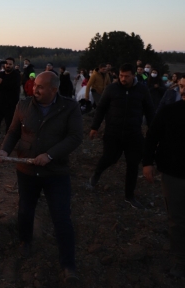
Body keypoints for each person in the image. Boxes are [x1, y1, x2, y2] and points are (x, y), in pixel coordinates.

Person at [0, 72, 82, 283]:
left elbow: (75, 137)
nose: (35, 90)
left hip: (56, 173)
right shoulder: (23, 106)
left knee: (61, 217)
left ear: (54, 90)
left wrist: (50, 155)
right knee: (25, 209)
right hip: (27, 170)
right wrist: (5, 150)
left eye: (41, 87)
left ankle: (68, 264)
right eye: (35, 86)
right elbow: (13, 132)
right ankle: (25, 242)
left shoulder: (69, 107)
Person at [88, 63, 155, 209]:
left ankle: (129, 196)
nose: (123, 79)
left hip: (134, 134)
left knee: (133, 164)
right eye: (121, 76)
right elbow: (101, 108)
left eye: (126, 76)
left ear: (133, 76)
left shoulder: (142, 90)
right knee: (110, 158)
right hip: (113, 133)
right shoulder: (111, 89)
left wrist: (153, 130)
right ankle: (96, 174)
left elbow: (150, 110)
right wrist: (94, 127)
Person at [142, 75, 185, 278]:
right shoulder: (169, 112)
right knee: (176, 219)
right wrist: (148, 163)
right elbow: (152, 136)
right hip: (174, 174)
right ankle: (179, 260)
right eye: (183, 87)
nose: (184, 91)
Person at [0, 58, 20, 141]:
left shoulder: (16, 75)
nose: (8, 65)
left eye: (10, 64)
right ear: (4, 65)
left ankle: (8, 138)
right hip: (0, 101)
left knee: (9, 121)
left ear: (13, 65)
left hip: (11, 102)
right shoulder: (1, 74)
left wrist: (1, 82)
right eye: (7, 64)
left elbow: (13, 85)